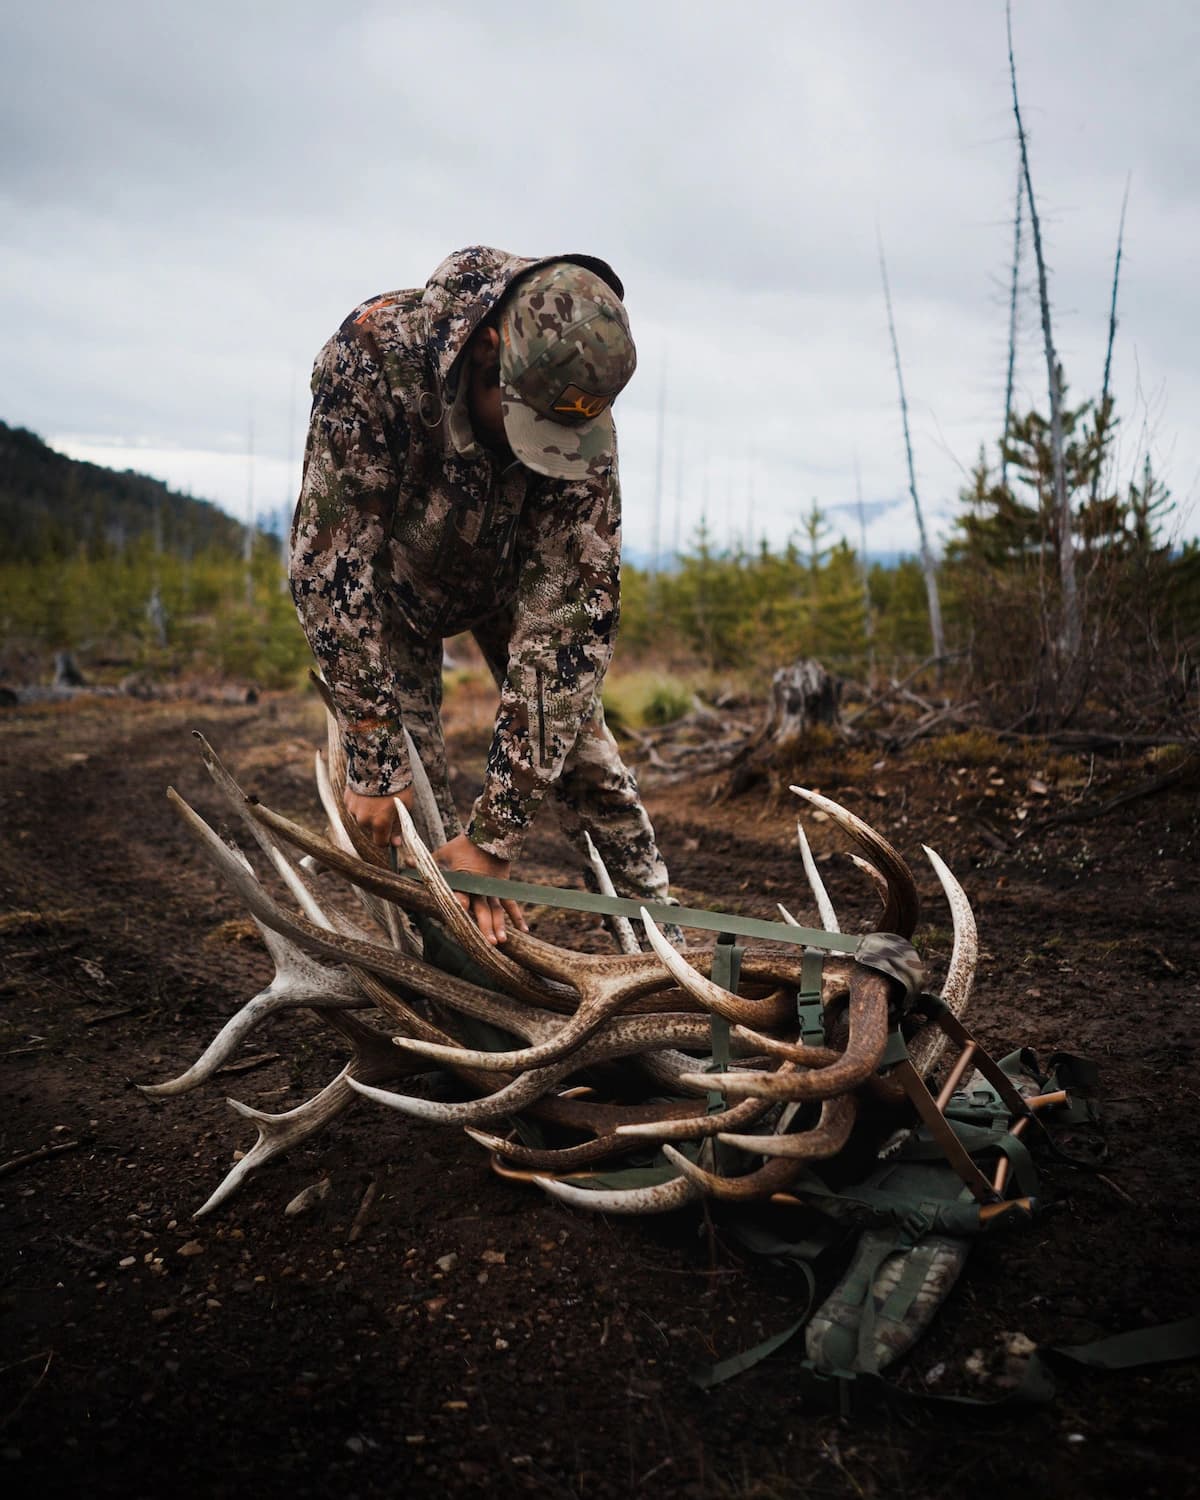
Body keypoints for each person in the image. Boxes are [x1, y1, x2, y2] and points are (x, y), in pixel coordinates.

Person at [289, 245, 675, 947]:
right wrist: (374, 749)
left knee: (592, 771)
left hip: (509, 582)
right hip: (391, 596)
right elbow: (331, 563)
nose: (551, 449)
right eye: (531, 424)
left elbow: (569, 629)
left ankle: (662, 955)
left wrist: (496, 834)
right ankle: (441, 974)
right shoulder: (374, 357)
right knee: (404, 814)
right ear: (485, 349)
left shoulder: (578, 415)